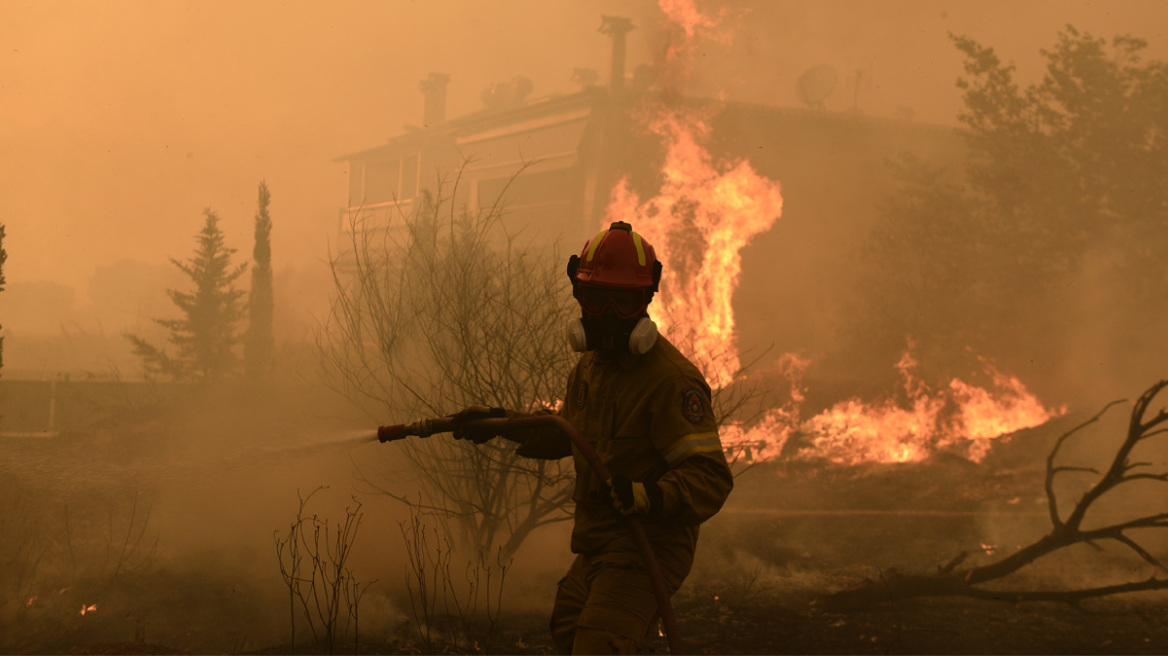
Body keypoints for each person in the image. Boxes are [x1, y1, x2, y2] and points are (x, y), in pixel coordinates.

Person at [453, 221, 733, 654]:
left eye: (622, 303)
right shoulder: (590, 370)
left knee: (598, 644)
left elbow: (711, 478)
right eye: (595, 299)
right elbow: (567, 436)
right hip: (599, 541)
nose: (606, 316)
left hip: (648, 547)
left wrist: (646, 496)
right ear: (577, 296)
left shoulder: (670, 381)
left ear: (645, 303)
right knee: (568, 628)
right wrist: (497, 425)